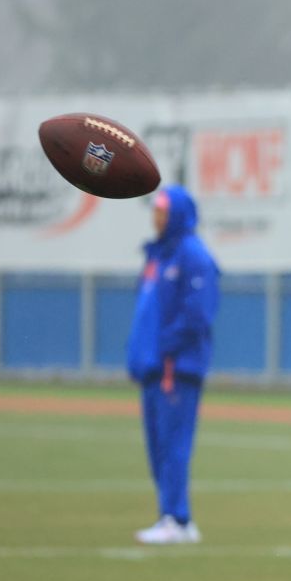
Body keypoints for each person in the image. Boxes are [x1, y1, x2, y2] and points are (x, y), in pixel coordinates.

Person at [127, 184, 221, 545]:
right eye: (155, 211)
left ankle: (178, 519)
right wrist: (139, 353)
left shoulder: (193, 255)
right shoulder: (157, 256)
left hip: (175, 368)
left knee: (173, 446)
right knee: (157, 447)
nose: (157, 217)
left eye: (163, 211)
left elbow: (198, 314)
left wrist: (165, 349)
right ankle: (168, 514)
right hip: (153, 365)